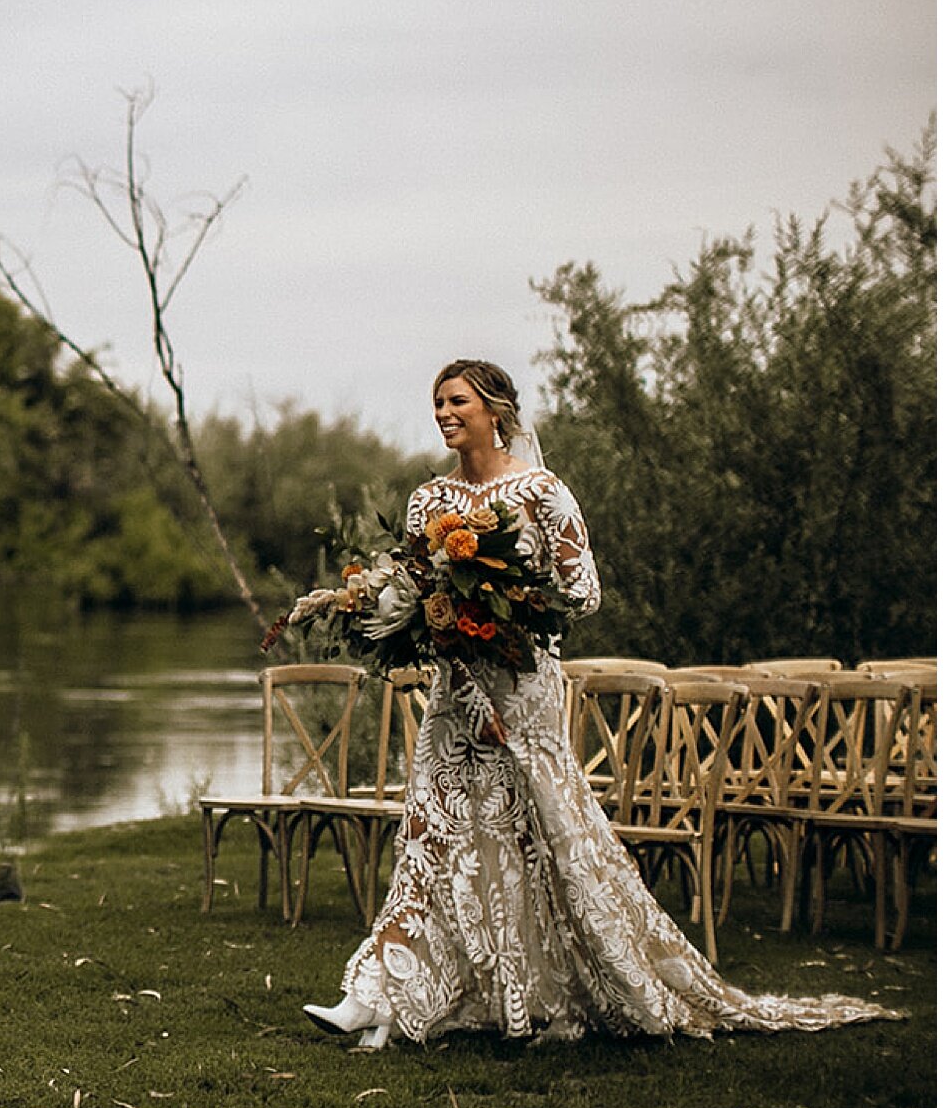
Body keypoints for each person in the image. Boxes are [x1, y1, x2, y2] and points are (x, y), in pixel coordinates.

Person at [302, 358, 891, 1048]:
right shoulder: (427, 502)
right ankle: (375, 992)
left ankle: (550, 989)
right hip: (455, 693)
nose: (443, 413)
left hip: (521, 690)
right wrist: (428, 614)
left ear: (496, 410)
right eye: (436, 402)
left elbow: (584, 592)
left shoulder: (543, 491)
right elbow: (419, 587)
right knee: (431, 836)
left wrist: (504, 604)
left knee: (539, 837)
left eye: (456, 401)